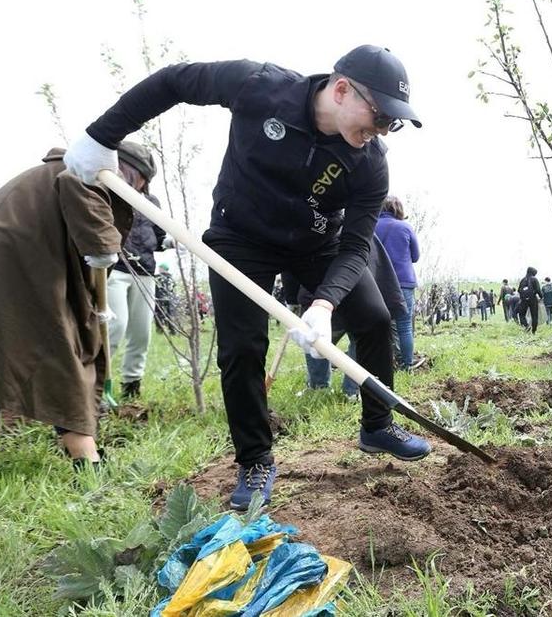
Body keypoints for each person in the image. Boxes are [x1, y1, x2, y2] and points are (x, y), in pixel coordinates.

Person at [63, 45, 432, 510]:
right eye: (378, 118)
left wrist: (323, 303)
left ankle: (378, 427)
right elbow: (176, 81)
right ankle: (255, 460)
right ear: (341, 90)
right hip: (240, 237)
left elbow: (357, 245)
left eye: (390, 124)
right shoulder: (261, 87)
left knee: (375, 318)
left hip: (318, 244)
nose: (380, 132)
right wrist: (103, 135)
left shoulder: (370, 162)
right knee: (241, 350)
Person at [0, 142, 152, 467]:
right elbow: (94, 242)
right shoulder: (84, 174)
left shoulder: (58, 170)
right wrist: (102, 251)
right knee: (64, 353)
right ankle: (86, 459)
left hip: (11, 262)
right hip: (16, 267)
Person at [107, 176, 168, 399]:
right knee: (115, 327)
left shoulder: (151, 202)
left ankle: (131, 386)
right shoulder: (110, 195)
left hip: (145, 272)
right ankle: (96, 384)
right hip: (115, 269)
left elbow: (159, 237)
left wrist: (169, 242)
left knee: (141, 333)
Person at [374, 196, 419, 370]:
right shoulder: (405, 227)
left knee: (378, 323)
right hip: (403, 282)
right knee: (404, 324)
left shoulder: (371, 227)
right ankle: (406, 365)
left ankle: (382, 363)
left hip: (377, 282)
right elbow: (415, 256)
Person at [154, 263, 178, 334]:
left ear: (162, 268)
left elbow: (155, 287)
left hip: (160, 298)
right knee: (170, 314)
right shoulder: (171, 278)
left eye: (160, 268)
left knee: (158, 314)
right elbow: (173, 288)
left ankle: (160, 330)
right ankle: (172, 330)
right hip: (170, 299)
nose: (159, 269)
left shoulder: (158, 277)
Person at [517, 267, 542, 333]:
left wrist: (524, 296)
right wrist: (541, 297)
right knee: (534, 315)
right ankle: (534, 331)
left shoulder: (523, 279)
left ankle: (526, 325)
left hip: (523, 300)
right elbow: (538, 290)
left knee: (521, 314)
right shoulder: (534, 279)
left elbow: (519, 290)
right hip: (533, 299)